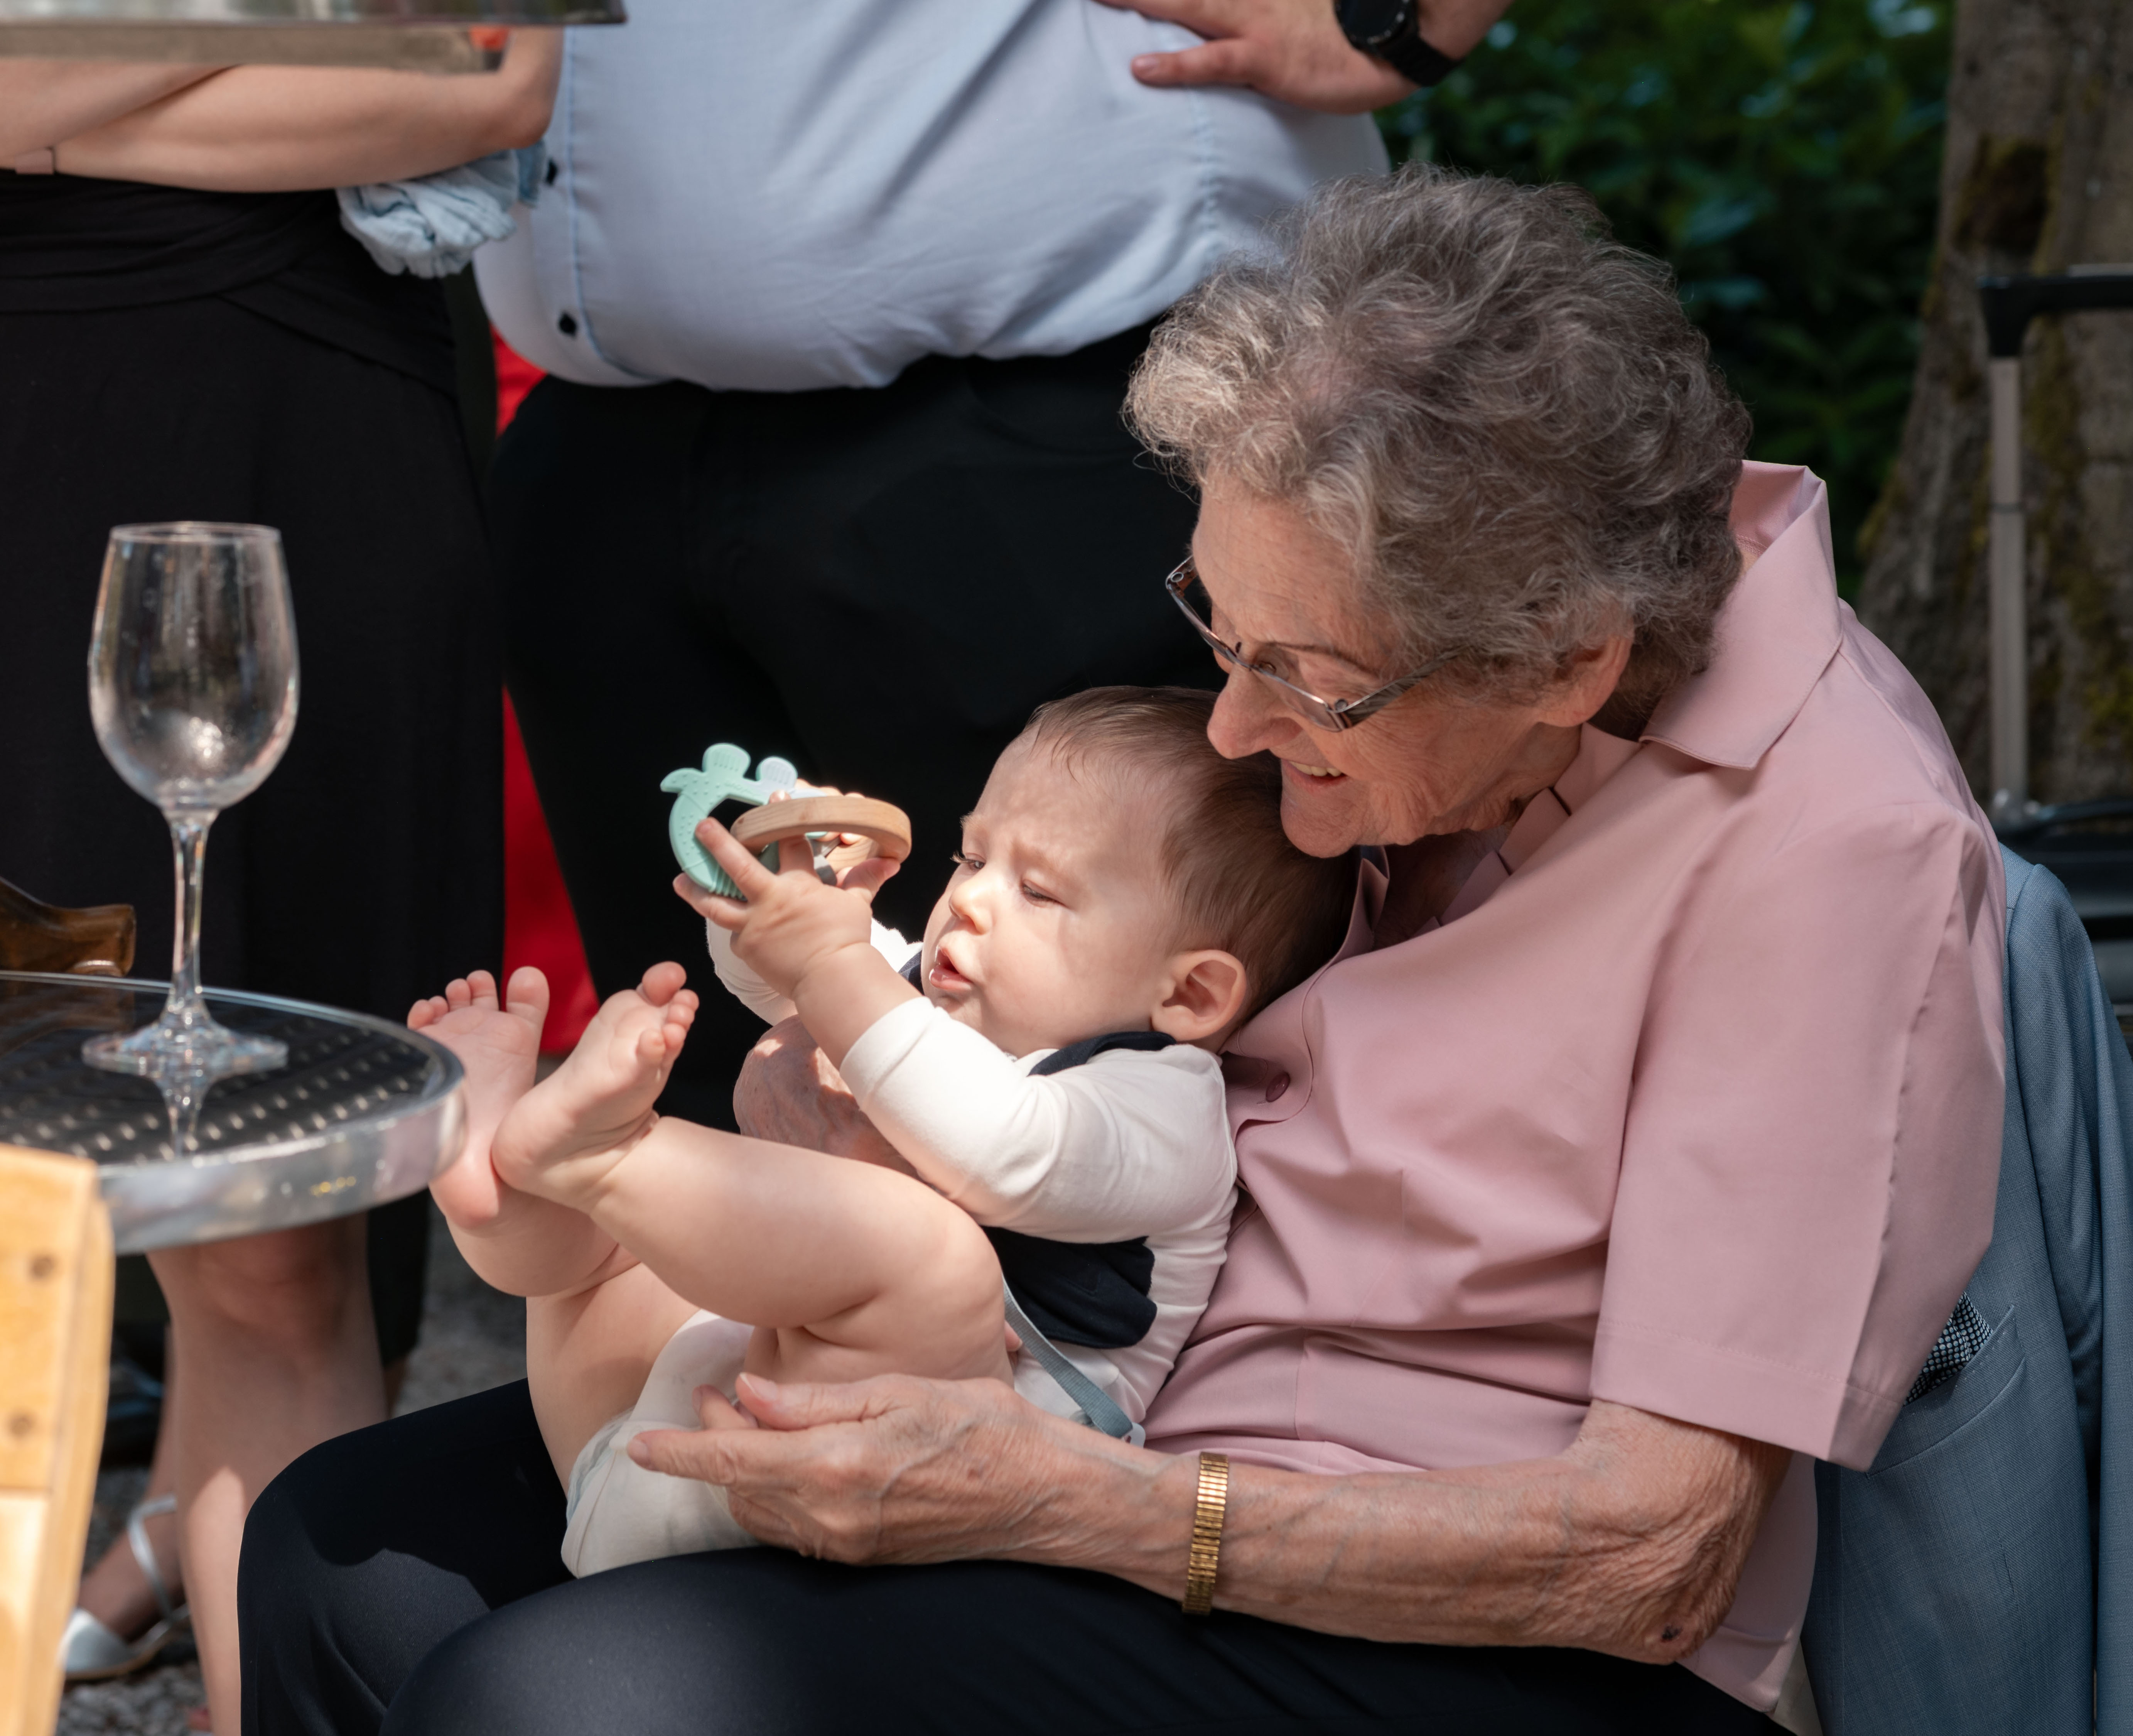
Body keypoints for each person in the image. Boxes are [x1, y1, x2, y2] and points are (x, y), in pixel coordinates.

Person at [241, 167, 2006, 1735]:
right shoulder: (1428, 643)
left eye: (1302, 683)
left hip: (1455, 1620)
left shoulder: (1822, 851)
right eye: (1216, 632)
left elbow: (1651, 1555)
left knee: (571, 1696)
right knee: (343, 1556)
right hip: (1103, 1414)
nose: (1231, 728)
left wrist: (1069, 1505)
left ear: (1563, 664)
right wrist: (856, 1044)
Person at [472, 0, 1514, 1131]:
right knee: (700, 1083)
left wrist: (1395, 20)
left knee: (1114, 1101)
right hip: (610, 432)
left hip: (1052, 404)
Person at [0, 39, 558, 1734]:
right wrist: (268, 32)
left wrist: (54, 102)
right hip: (45, 415)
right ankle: (165, 1552)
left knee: (262, 1222)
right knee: (79, 1164)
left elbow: (492, 87)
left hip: (278, 430)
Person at [408, 688, 1351, 1578]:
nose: (970, 900)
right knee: (615, 1251)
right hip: (661, 1419)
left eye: (1039, 891)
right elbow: (783, 982)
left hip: (914, 1474)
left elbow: (1002, 1148)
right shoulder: (928, 997)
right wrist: (786, 897)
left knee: (932, 1254)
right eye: (972, 859)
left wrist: (830, 959)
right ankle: (505, 1190)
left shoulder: (1163, 1106)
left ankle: (601, 1157)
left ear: (1191, 994)